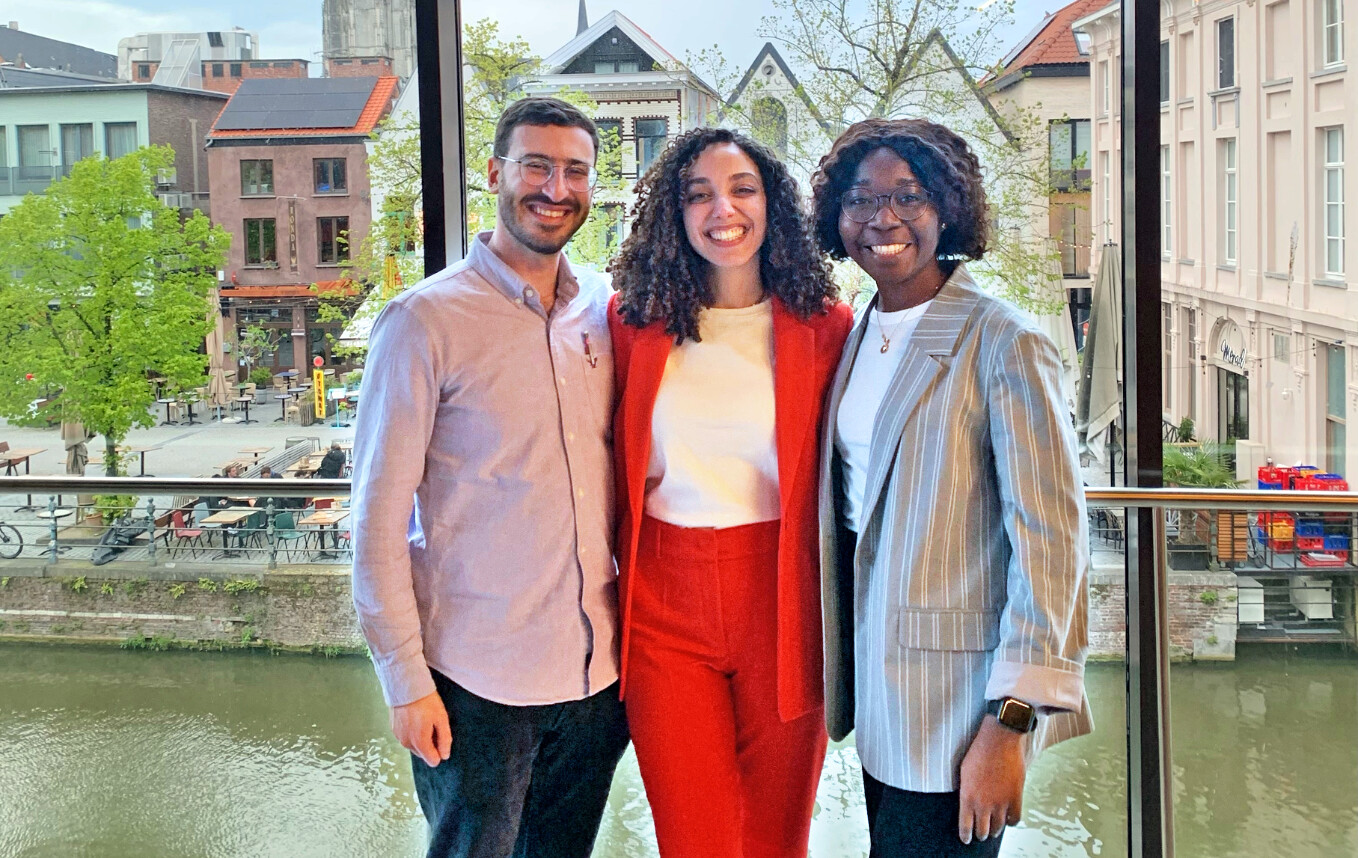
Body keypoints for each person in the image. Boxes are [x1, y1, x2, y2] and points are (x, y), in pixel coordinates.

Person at [350, 96, 629, 858]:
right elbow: (375, 519)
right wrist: (405, 681)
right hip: (477, 686)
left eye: (575, 171)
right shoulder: (425, 320)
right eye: (536, 165)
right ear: (495, 172)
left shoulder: (605, 311)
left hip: (597, 681)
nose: (555, 187)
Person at [811, 117, 1093, 857]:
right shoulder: (857, 332)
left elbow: (1053, 546)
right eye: (861, 199)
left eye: (908, 196)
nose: (883, 218)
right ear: (836, 217)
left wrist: (1012, 723)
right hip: (877, 691)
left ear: (947, 209)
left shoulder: (1004, 341)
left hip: (958, 707)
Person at [608, 126, 852, 858]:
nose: (724, 210)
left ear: (771, 202)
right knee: (695, 836)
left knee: (778, 835)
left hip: (783, 599)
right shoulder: (631, 324)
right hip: (661, 604)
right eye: (699, 194)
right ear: (673, 215)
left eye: (742, 189)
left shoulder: (826, 327)